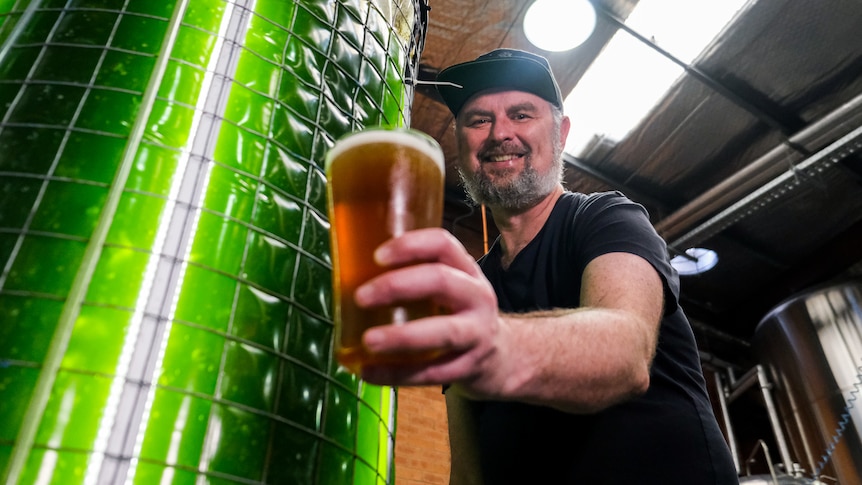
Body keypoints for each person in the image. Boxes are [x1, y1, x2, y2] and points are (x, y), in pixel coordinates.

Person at [354, 48, 739, 484]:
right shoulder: (469, 285)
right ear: (460, 144)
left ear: (561, 134)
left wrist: (490, 344)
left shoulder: (604, 218)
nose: (500, 133)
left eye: (521, 114)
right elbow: (467, 470)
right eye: (479, 120)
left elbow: (625, 350)